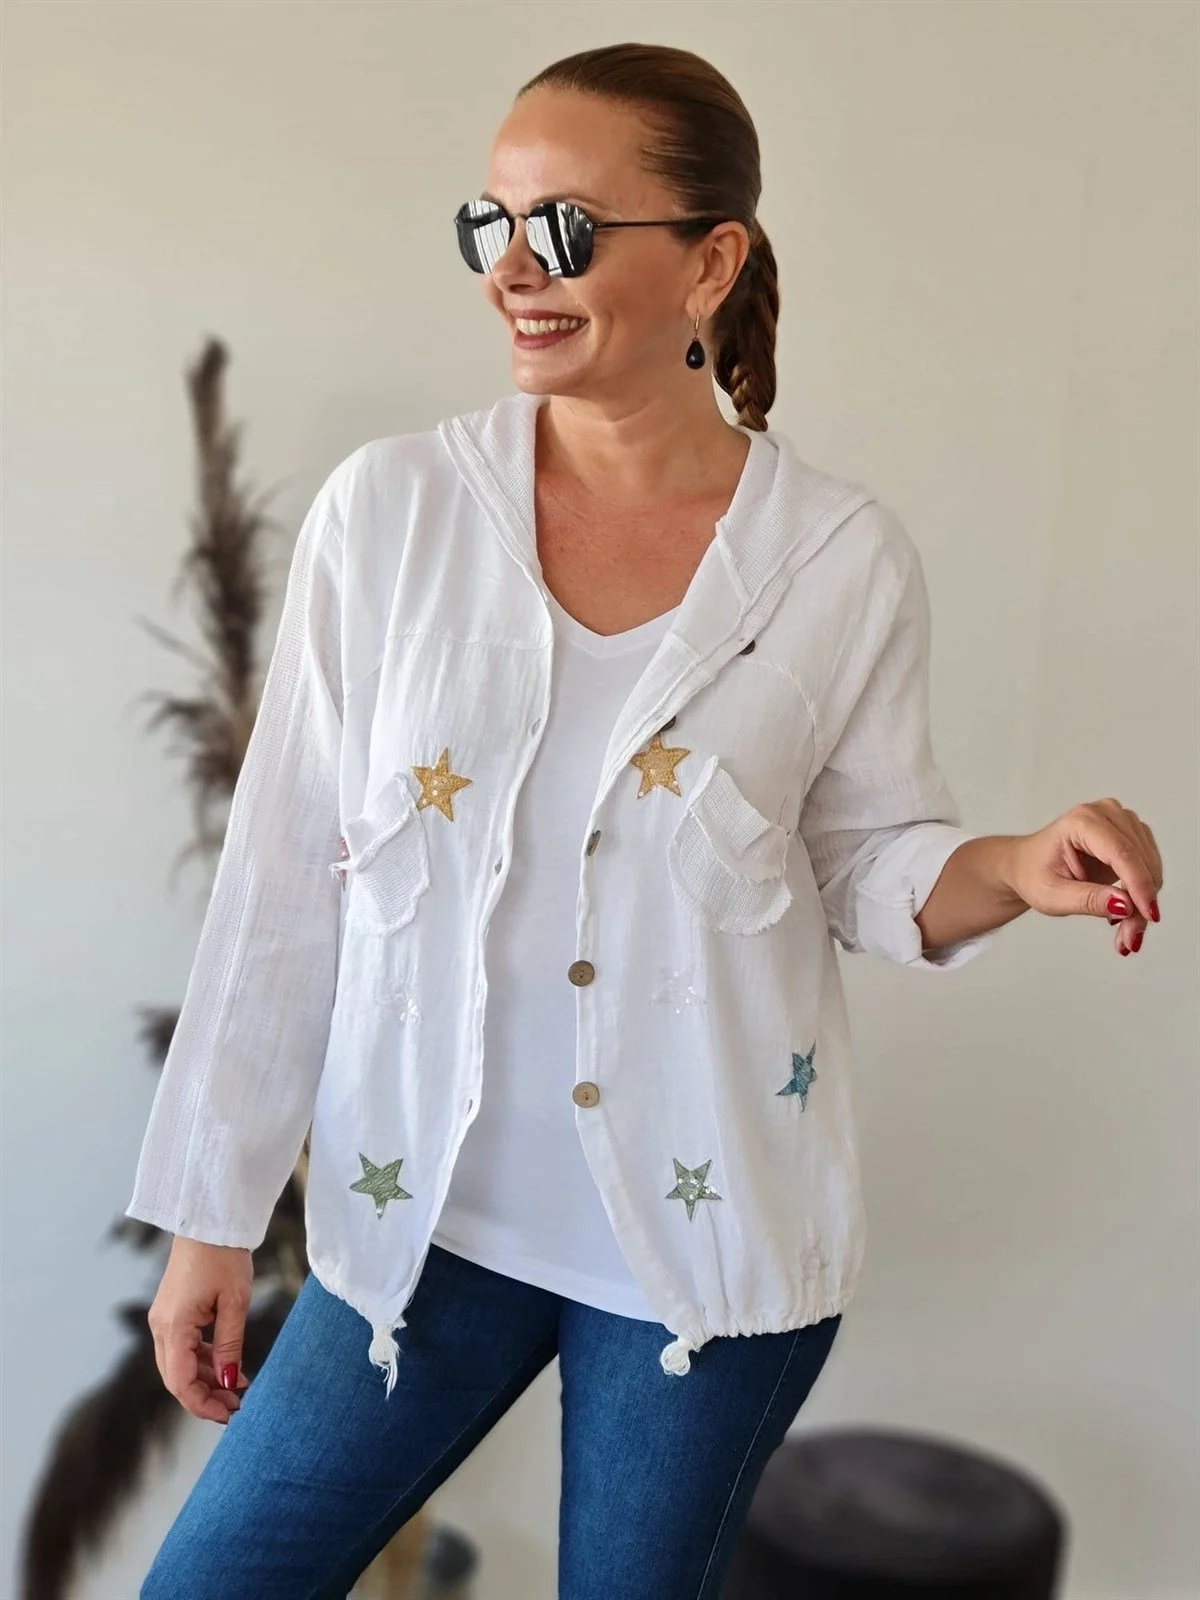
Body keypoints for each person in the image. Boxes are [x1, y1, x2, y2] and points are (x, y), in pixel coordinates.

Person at [129, 42, 1164, 1600]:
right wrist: (210, 1214)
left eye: (562, 228)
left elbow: (866, 860)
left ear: (711, 261)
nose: (513, 270)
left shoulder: (837, 560)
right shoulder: (392, 517)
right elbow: (283, 883)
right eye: (491, 224)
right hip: (419, 1227)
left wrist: (1021, 868)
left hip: (703, 1252)